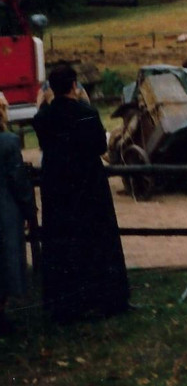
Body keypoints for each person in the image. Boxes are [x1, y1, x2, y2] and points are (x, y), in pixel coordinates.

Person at [32, 63, 131, 324]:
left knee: (63, 240)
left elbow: (43, 136)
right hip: (87, 183)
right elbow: (100, 145)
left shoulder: (43, 117)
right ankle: (105, 297)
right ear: (74, 86)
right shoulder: (86, 113)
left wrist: (43, 104)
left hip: (58, 185)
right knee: (96, 237)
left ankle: (67, 302)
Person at [1, 117, 36, 336]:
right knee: (5, 260)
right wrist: (28, 209)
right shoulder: (9, 142)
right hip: (4, 210)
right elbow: (18, 179)